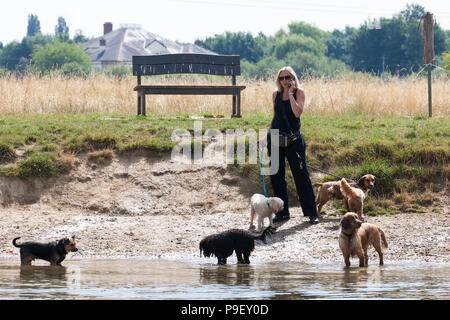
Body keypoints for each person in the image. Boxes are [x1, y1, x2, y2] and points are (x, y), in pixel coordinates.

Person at [259, 66, 319, 225]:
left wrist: (291, 94)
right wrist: (266, 137)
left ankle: (312, 213)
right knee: (277, 177)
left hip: (293, 141)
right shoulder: (275, 94)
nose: (285, 81)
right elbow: (275, 117)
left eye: (288, 77)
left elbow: (297, 113)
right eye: (282, 78)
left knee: (301, 176)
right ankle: (282, 212)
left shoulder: (299, 92)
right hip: (276, 139)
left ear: (293, 78)